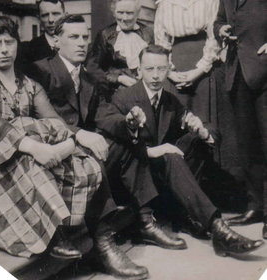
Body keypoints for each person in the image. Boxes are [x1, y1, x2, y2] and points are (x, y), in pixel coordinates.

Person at [0, 15, 150, 280]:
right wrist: (33, 146)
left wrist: (67, 144)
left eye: (9, 42)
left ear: (17, 45)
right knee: (30, 157)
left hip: (33, 153)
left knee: (83, 159)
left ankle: (101, 240)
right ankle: (56, 234)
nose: (4, 49)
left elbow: (54, 121)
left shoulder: (28, 84)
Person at [30, 15, 185, 257]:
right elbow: (40, 117)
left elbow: (104, 113)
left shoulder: (89, 77)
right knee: (94, 151)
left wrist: (128, 122)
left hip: (81, 148)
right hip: (52, 151)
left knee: (126, 142)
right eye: (73, 37)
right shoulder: (41, 70)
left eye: (85, 37)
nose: (82, 43)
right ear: (57, 41)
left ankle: (145, 220)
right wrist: (80, 134)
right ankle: (103, 242)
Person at [95, 44, 263, 257]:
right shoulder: (124, 97)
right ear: (139, 70)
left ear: (168, 69)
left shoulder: (169, 100)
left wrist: (201, 130)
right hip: (130, 178)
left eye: (161, 69)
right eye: (149, 69)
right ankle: (217, 229)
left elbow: (206, 127)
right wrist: (150, 149)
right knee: (171, 155)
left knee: (192, 142)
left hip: (158, 175)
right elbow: (111, 131)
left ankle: (208, 225)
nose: (156, 75)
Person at [214, 0, 267, 237]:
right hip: (237, 73)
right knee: (247, 146)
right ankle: (255, 205)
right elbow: (220, 18)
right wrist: (218, 28)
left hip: (265, 73)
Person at [154, 0, 220, 125]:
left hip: (204, 66)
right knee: (178, 119)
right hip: (176, 67)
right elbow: (161, 43)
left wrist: (198, 71)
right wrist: (171, 73)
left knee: (204, 119)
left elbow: (214, 38)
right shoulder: (165, 3)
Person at [86, 0, 154, 100]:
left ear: (137, 13)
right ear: (114, 12)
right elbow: (93, 68)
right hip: (115, 94)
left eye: (129, 13)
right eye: (120, 13)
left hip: (145, 91)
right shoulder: (105, 35)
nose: (124, 18)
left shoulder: (148, 33)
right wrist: (118, 78)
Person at [19, 0, 66, 75]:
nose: (51, 20)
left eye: (55, 14)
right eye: (45, 15)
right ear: (39, 18)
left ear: (65, 16)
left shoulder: (75, 45)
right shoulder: (29, 50)